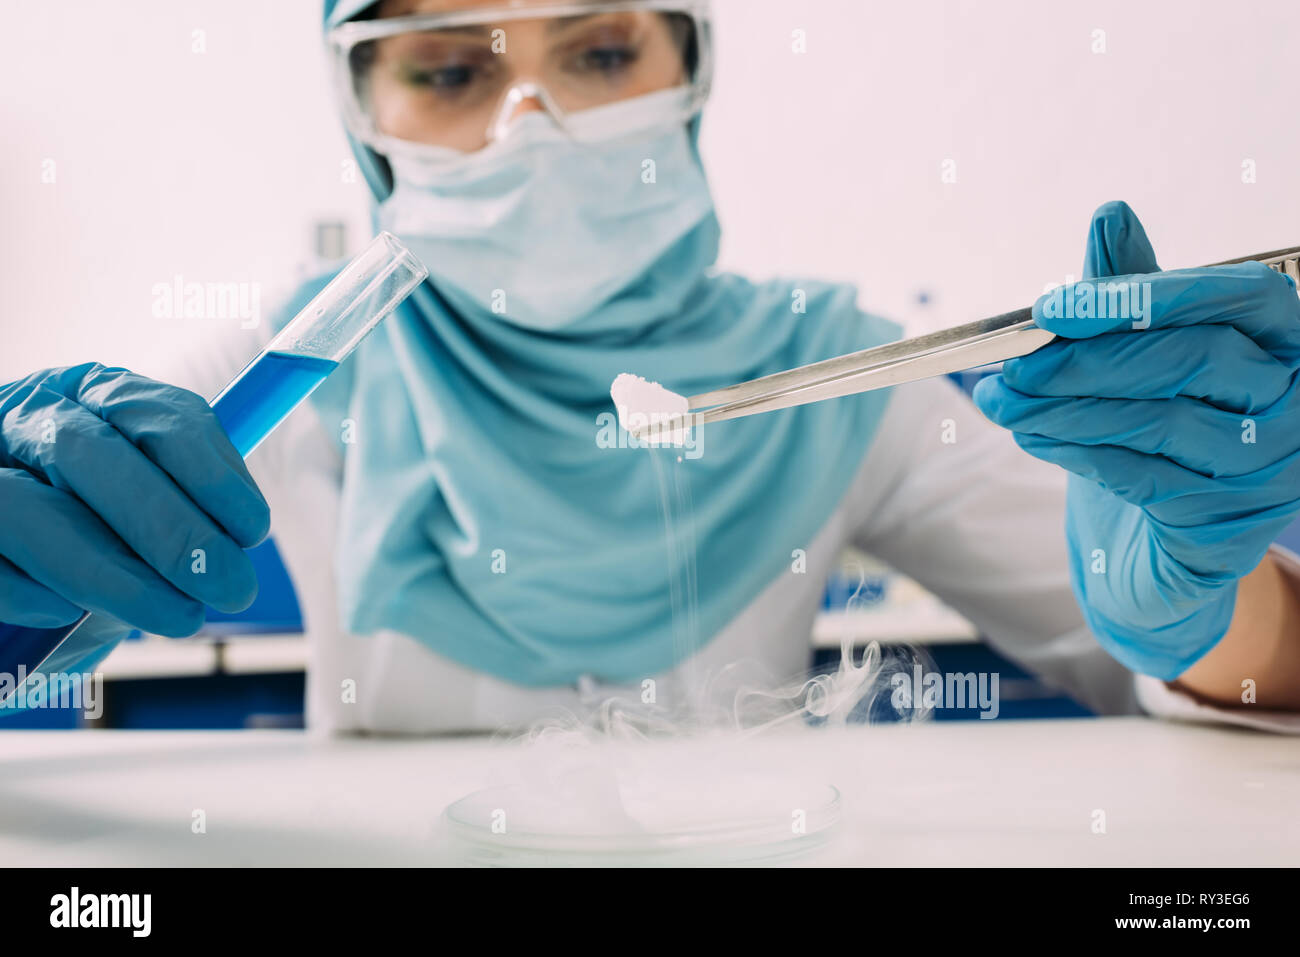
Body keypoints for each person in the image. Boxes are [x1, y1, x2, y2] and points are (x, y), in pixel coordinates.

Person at [2, 0, 1299, 733]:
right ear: (366, 126)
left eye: (601, 51)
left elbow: (1224, 676)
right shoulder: (289, 364)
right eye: (450, 67)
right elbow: (40, 651)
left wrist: (1198, 580)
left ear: (690, 69)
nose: (532, 123)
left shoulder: (837, 372)